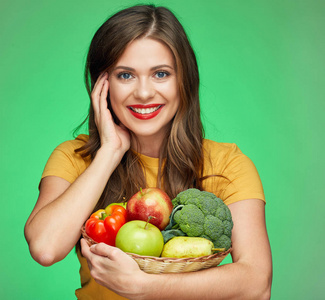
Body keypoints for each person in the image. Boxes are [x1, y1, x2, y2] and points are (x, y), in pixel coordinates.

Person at [24, 4, 272, 300]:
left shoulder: (228, 164)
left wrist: (145, 287)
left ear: (184, 80)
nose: (143, 93)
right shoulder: (75, 159)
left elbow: (257, 284)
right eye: (125, 75)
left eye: (161, 74)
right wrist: (110, 152)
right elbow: (45, 247)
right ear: (103, 85)